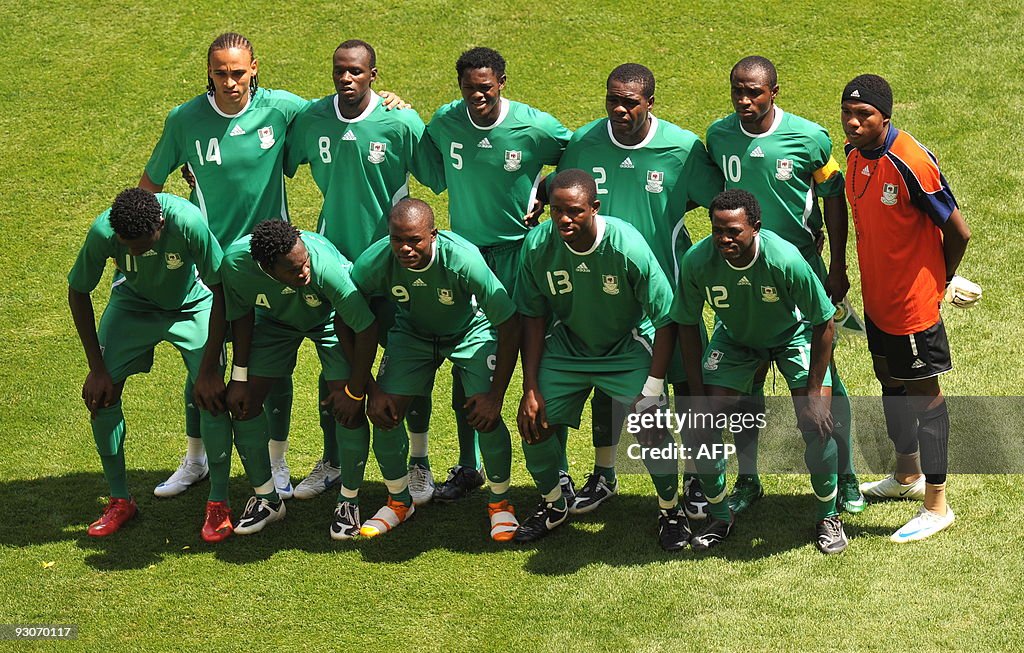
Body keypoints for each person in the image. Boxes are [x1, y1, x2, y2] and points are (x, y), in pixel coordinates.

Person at [139, 32, 403, 500]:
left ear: (254, 68)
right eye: (220, 73)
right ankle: (195, 458)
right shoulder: (183, 120)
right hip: (214, 262)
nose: (230, 82)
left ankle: (278, 464)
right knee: (205, 361)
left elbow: (340, 107)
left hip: (272, 261)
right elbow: (149, 188)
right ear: (209, 73)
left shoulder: (282, 108)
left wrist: (381, 99)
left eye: (238, 72)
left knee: (270, 365)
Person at [547, 62, 722, 518]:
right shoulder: (584, 142)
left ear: (650, 103)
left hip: (667, 297)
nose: (620, 110)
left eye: (630, 102)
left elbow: (726, 203)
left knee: (688, 389)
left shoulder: (682, 150)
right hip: (603, 295)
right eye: (613, 100)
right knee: (608, 385)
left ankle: (700, 481)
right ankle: (603, 475)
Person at [283, 39, 449, 506]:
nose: (346, 78)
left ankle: (419, 463)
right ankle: (332, 460)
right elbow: (274, 155)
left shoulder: (399, 121)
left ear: (374, 75)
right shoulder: (313, 118)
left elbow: (436, 178)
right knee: (334, 361)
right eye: (339, 70)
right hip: (334, 265)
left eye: (356, 71)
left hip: (395, 265)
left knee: (409, 363)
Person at [705, 55, 864, 515]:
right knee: (746, 378)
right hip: (740, 273)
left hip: (799, 271)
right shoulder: (718, 136)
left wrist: (835, 263)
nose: (744, 99)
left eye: (754, 91)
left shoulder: (810, 137)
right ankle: (748, 480)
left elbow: (833, 196)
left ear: (774, 91)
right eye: (737, 90)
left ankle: (846, 476)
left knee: (824, 377)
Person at [424, 46, 573, 502]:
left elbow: (577, 153)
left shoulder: (534, 125)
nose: (477, 96)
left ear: (502, 82)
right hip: (465, 258)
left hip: (519, 256)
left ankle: (561, 471)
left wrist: (546, 192)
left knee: (539, 351)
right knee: (463, 356)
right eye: (469, 89)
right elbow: (419, 138)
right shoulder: (446, 120)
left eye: (485, 88)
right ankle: (468, 466)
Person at [514, 170, 688, 551]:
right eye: (556, 210)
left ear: (594, 208)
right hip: (568, 347)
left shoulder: (627, 246)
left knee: (652, 427)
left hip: (626, 346)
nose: (563, 219)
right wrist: (530, 387)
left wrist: (653, 387)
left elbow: (666, 319)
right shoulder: (537, 245)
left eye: (574, 211)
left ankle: (670, 510)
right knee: (532, 421)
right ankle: (553, 505)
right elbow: (532, 315)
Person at [670, 189, 847, 554]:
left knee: (816, 422)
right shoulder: (697, 261)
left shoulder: (784, 258)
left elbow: (824, 321)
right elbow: (686, 324)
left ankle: (828, 516)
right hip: (735, 339)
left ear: (755, 228)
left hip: (791, 335)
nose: (724, 239)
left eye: (733, 231)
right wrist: (698, 393)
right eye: (717, 230)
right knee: (699, 424)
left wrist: (815, 392)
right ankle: (720, 516)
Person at [841, 74, 976, 542]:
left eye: (864, 116)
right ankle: (905, 476)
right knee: (890, 380)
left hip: (912, 306)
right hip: (879, 301)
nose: (854, 123)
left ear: (886, 117)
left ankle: (937, 504)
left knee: (925, 395)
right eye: (848, 113)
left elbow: (958, 230)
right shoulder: (856, 156)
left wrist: (941, 281)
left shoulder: (911, 161)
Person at [67, 188, 235, 541]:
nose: (132, 251)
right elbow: (78, 290)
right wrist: (97, 369)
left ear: (160, 223)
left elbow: (221, 289)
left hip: (194, 305)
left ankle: (219, 502)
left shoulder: (189, 222)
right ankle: (120, 500)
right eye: (126, 245)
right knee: (102, 395)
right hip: (133, 306)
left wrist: (207, 372)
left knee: (213, 395)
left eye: (140, 244)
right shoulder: (105, 231)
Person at [350, 199, 520, 541]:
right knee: (385, 413)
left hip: (469, 331)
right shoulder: (375, 260)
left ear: (433, 234)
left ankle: (501, 505)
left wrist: (496, 396)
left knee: (483, 414)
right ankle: (399, 501)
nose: (405, 248)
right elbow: (347, 313)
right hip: (413, 333)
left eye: (414, 239)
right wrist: (370, 388)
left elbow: (509, 322)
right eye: (398, 239)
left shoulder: (463, 260)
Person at [215, 220, 378, 536]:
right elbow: (241, 314)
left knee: (350, 409)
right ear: (266, 267)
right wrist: (239, 375)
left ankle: (349, 502)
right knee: (244, 403)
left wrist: (356, 392)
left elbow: (364, 327)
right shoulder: (236, 263)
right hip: (275, 321)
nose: (305, 272)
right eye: (294, 269)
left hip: (332, 321)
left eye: (305, 263)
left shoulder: (325, 268)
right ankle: (267, 500)